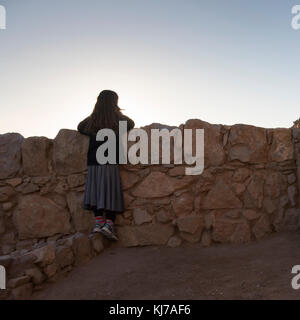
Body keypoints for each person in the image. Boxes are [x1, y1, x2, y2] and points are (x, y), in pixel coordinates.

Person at [77, 90, 135, 240]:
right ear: (114, 103)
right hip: (110, 160)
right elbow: (131, 123)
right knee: (111, 191)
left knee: (95, 191)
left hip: (93, 162)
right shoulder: (117, 120)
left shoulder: (92, 120)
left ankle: (98, 223)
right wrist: (117, 113)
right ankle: (109, 224)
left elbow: (80, 127)